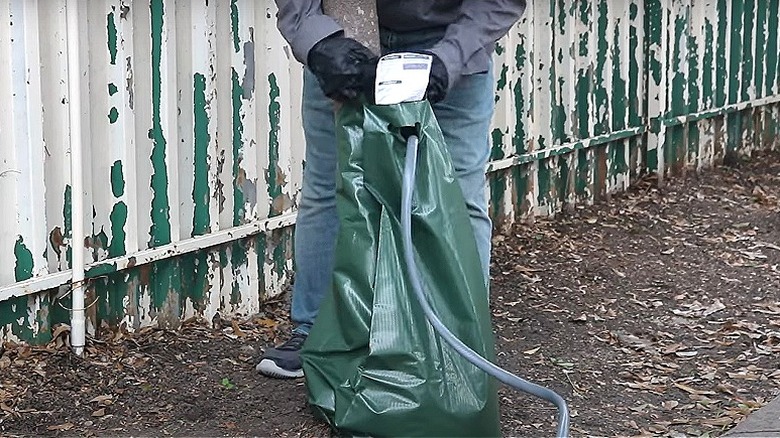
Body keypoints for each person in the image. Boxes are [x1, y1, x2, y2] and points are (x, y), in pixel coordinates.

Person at [257, 0, 527, 379]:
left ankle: (463, 340)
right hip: (344, 35)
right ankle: (315, 331)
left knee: (458, 198)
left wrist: (449, 60)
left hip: (448, 39)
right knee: (330, 188)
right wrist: (318, 41)